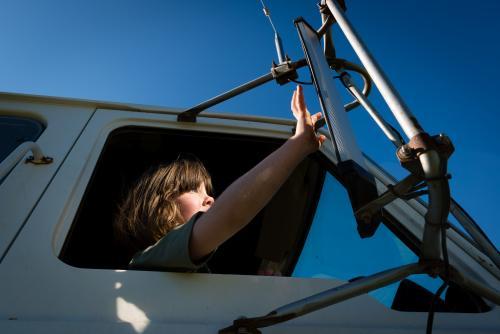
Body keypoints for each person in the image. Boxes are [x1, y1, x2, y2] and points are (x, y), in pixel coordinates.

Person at [113, 85, 325, 272]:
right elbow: (230, 214)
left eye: (208, 193)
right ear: (159, 204)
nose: (210, 199)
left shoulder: (181, 266)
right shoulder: (153, 258)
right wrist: (299, 143)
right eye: (194, 189)